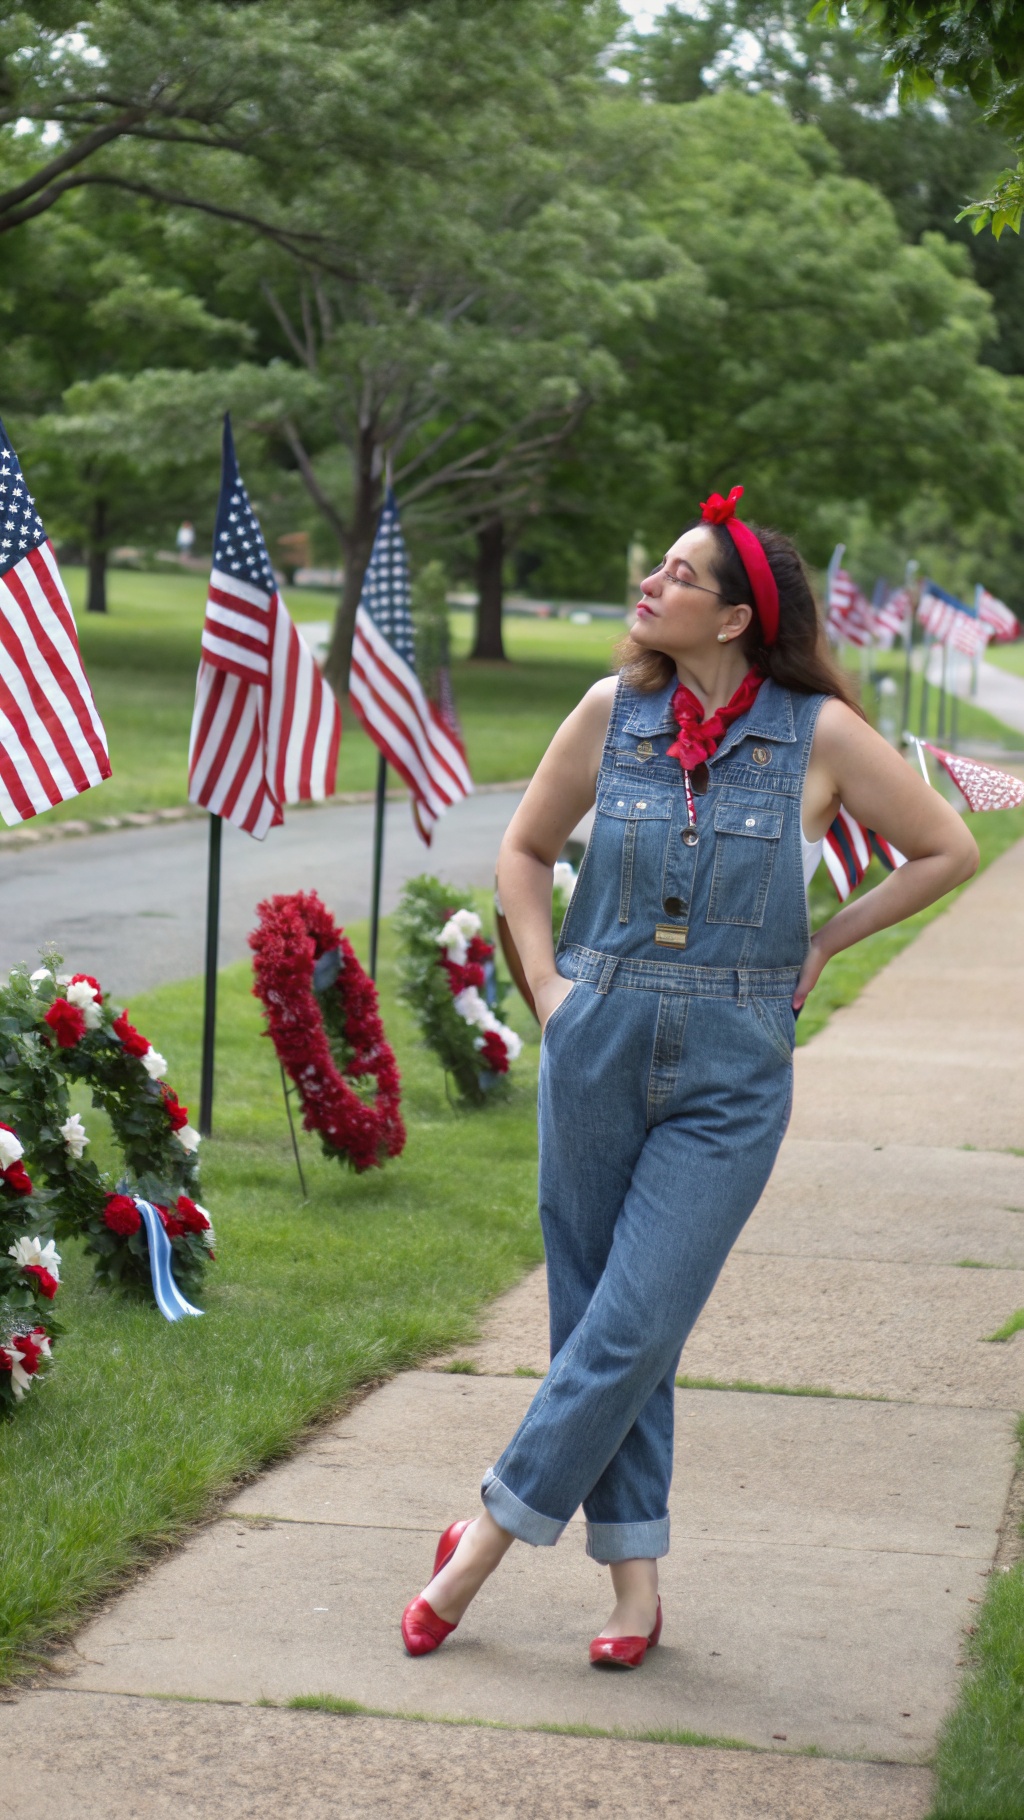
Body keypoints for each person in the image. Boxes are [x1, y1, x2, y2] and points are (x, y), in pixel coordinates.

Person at [401, 485, 977, 1668]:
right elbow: (520, 847)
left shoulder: (817, 735)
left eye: (679, 574)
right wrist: (553, 991)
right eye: (655, 567)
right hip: (598, 1036)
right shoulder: (612, 710)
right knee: (600, 1325)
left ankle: (478, 1546)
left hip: (731, 1068)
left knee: (636, 1316)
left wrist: (822, 941)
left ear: (733, 619)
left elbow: (947, 846)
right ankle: (634, 1583)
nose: (651, 584)